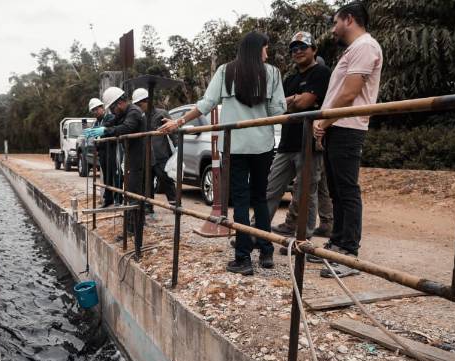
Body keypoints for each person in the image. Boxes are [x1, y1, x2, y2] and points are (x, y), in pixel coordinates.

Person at [159, 31, 286, 276]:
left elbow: (207, 103)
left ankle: (243, 258)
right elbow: (278, 109)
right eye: (265, 49)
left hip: (235, 145)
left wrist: (180, 121)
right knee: (260, 196)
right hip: (262, 144)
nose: (267, 53)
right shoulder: (272, 73)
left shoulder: (225, 71)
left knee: (239, 198)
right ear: (257, 49)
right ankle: (266, 252)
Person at [312, 1, 383, 278]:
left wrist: (324, 122)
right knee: (336, 190)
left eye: (335, 22)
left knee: (347, 189)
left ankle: (349, 254)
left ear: (349, 19)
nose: (333, 29)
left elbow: (349, 93)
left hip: (348, 126)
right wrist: (326, 124)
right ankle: (338, 244)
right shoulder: (353, 50)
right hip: (336, 126)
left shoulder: (366, 46)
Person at [265, 31, 331, 241]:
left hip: (310, 144)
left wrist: (292, 101)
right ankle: (257, 233)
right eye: (294, 48)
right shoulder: (290, 78)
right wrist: (295, 99)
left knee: (306, 194)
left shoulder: (321, 73)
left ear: (314, 49)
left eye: (303, 47)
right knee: (270, 190)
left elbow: (303, 104)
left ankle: (302, 241)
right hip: (286, 144)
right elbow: (277, 108)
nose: (298, 52)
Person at [84, 87, 145, 232]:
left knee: (133, 192)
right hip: (131, 155)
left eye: (112, 108)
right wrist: (99, 129)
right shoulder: (124, 112)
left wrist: (104, 131)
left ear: (119, 103)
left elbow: (125, 128)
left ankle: (134, 229)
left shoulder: (134, 112)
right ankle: (132, 227)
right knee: (129, 191)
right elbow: (113, 123)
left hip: (139, 156)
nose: (112, 112)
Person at [132, 88, 178, 208]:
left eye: (140, 105)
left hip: (161, 155)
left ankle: (175, 205)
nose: (139, 107)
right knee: (147, 182)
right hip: (146, 156)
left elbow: (173, 131)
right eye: (137, 105)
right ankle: (148, 206)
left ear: (148, 101)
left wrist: (178, 147)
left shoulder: (161, 114)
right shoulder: (140, 117)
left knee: (166, 179)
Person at [87, 97, 116, 208]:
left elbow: (110, 125)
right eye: (93, 110)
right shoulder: (96, 122)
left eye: (96, 109)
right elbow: (95, 135)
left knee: (114, 174)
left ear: (102, 108)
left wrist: (100, 129)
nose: (95, 112)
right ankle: (108, 199)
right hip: (103, 151)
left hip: (112, 149)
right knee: (106, 176)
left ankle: (118, 198)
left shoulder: (109, 117)